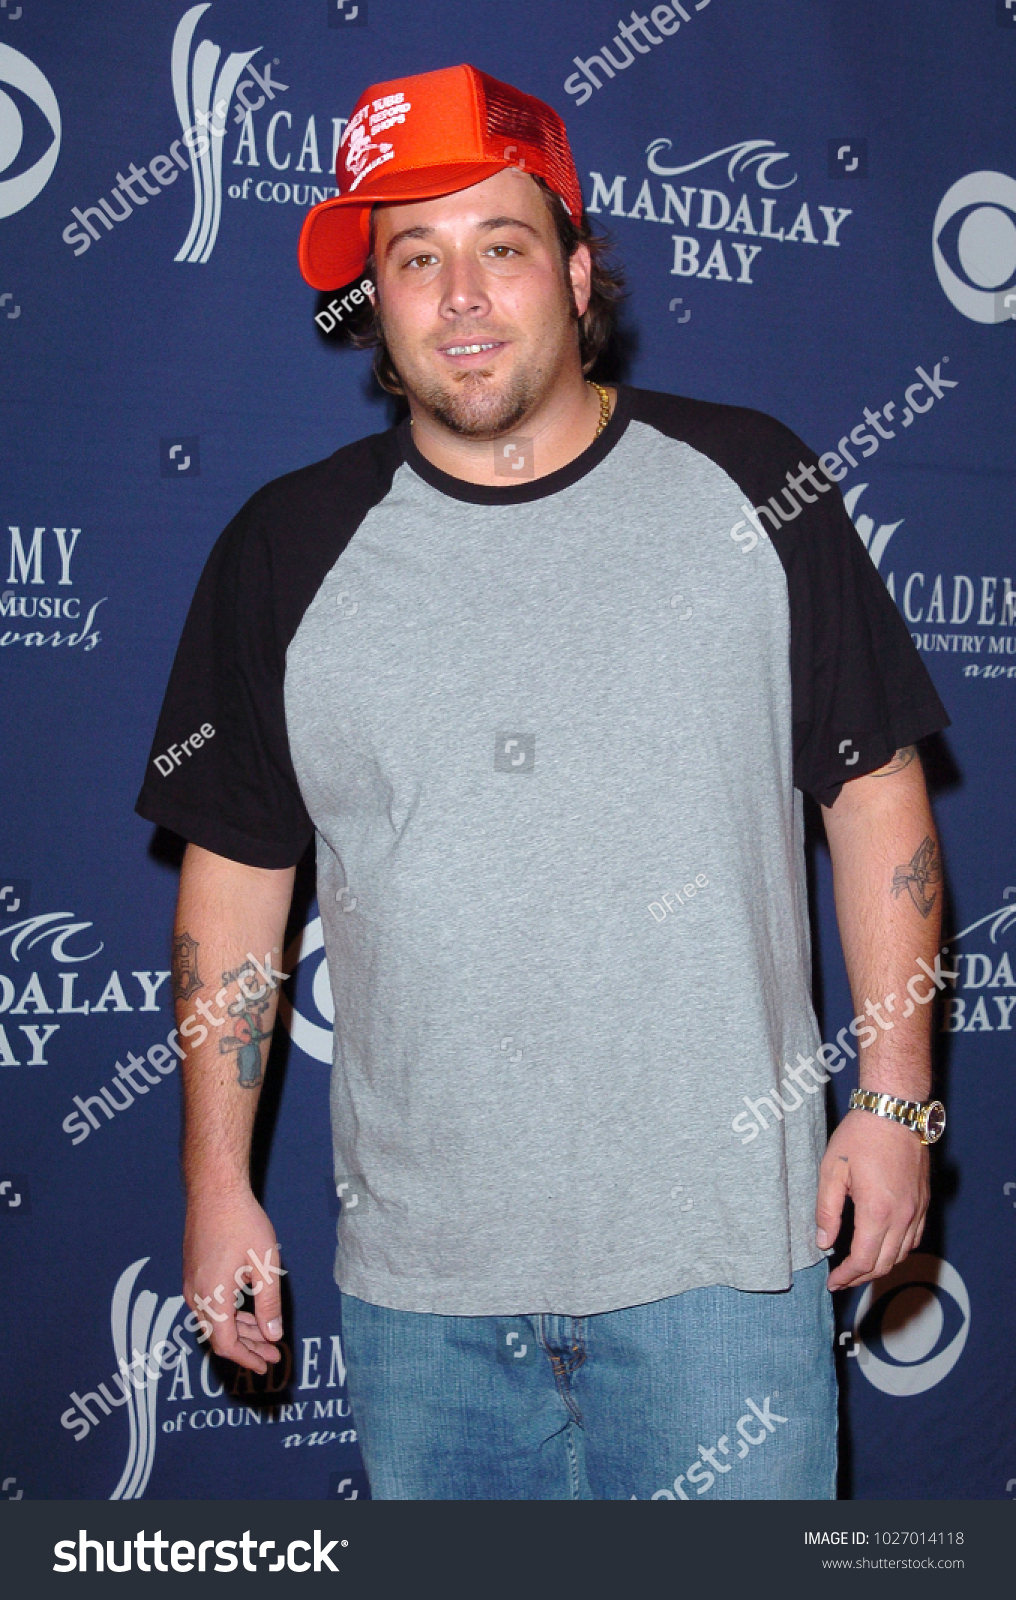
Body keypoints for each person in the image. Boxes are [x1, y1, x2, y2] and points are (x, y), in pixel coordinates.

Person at [135, 64, 950, 1501]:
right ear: (373, 305)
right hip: (425, 1303)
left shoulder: (754, 483)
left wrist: (893, 1102)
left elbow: (876, 797)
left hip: (725, 1279)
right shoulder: (285, 550)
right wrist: (214, 1183)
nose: (460, 296)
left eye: (500, 248)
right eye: (415, 258)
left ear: (579, 273)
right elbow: (236, 883)